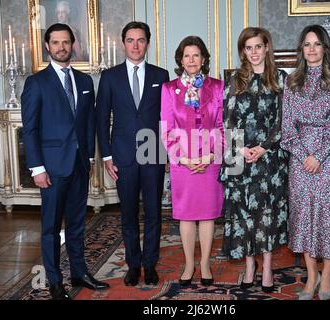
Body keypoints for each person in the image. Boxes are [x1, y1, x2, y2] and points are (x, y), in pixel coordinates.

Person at [21, 23, 109, 300]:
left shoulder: (84, 82)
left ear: (73, 44)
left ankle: (80, 273)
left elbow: (88, 124)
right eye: (56, 43)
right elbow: (30, 129)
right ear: (47, 46)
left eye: (66, 42)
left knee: (77, 224)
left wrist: (91, 158)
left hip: (80, 165)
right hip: (51, 168)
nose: (61, 47)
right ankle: (55, 281)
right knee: (50, 227)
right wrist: (37, 168)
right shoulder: (36, 83)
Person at [280, 24, 330, 300]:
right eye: (307, 44)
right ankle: (311, 277)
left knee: (327, 216)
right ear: (301, 49)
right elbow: (287, 129)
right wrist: (303, 155)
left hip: (329, 158)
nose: (311, 49)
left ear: (325, 47)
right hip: (299, 160)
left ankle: (327, 276)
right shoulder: (292, 82)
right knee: (303, 217)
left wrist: (320, 156)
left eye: (317, 44)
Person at [96, 21, 169, 287]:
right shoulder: (110, 76)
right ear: (123, 43)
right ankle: (133, 264)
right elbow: (101, 118)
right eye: (130, 40)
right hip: (123, 155)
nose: (135, 45)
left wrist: (169, 153)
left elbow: (167, 118)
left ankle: (150, 264)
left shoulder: (161, 76)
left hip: (153, 153)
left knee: (153, 213)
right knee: (127, 214)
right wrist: (106, 156)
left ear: (147, 43)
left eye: (140, 40)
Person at [219, 27, 289, 293]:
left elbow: (285, 119)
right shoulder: (235, 80)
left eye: (258, 46)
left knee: (267, 214)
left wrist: (263, 147)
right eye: (248, 48)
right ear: (243, 51)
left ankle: (268, 266)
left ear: (267, 47)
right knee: (244, 212)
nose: (254, 52)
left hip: (270, 158)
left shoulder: (281, 79)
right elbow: (228, 119)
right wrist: (243, 149)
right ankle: (250, 265)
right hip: (241, 157)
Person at [160, 36, 224, 286]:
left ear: (204, 59)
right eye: (187, 55)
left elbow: (222, 125)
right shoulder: (169, 89)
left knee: (207, 215)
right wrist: (184, 159)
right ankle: (189, 264)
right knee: (186, 215)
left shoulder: (217, 87)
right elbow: (166, 128)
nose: (191, 60)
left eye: (196, 55)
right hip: (182, 162)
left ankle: (205, 263)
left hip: (210, 161)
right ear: (180, 60)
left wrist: (210, 157)